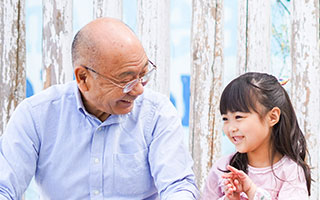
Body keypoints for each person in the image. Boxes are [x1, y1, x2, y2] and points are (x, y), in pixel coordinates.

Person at [0, 17, 199, 200]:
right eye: (126, 81)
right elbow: (4, 188)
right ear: (83, 78)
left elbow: (178, 186)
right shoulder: (36, 115)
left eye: (143, 75)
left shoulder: (157, 113)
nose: (138, 90)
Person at [202, 72, 311, 199]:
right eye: (225, 119)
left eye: (238, 117)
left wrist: (252, 191)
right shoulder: (223, 168)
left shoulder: (291, 172)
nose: (231, 128)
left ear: (272, 117)